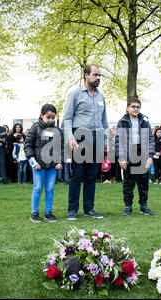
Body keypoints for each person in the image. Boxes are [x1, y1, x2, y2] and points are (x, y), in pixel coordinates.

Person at [62, 64, 109, 220]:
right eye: (95, 75)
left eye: (99, 76)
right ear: (86, 76)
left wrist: (105, 140)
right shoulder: (75, 94)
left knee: (91, 177)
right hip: (80, 138)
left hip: (97, 138)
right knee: (77, 176)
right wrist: (70, 137)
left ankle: (89, 209)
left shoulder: (101, 96)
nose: (98, 78)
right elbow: (67, 119)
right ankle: (72, 210)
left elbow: (105, 122)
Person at [25, 104, 63, 223]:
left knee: (50, 188)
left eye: (53, 118)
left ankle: (48, 213)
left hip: (52, 165)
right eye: (48, 117)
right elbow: (28, 146)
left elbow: (61, 147)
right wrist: (33, 162)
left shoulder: (58, 130)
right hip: (38, 165)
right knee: (37, 188)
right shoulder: (35, 128)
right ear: (41, 116)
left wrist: (60, 161)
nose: (50, 120)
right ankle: (34, 213)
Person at [116, 97, 154, 216]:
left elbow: (150, 140)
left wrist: (150, 156)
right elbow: (118, 141)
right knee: (128, 182)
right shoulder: (122, 122)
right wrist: (120, 157)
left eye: (138, 107)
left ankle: (144, 206)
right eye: (133, 106)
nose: (135, 109)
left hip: (141, 153)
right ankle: (128, 206)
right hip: (128, 153)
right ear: (128, 108)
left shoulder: (145, 122)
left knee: (143, 182)